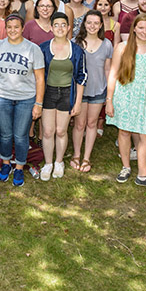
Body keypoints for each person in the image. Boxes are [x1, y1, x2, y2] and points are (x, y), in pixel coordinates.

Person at [107, 14, 146, 189]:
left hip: (145, 97)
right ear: (134, 29)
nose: (144, 31)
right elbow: (113, 74)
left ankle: (143, 174)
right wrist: (109, 100)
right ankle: (125, 167)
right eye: (141, 28)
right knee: (124, 132)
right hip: (124, 95)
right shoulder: (122, 48)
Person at [0, 14, 45, 186]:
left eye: (16, 27)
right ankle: (6, 164)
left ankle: (20, 167)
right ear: (5, 28)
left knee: (21, 136)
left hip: (26, 99)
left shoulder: (33, 49)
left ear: (22, 28)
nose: (12, 30)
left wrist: (38, 103)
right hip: (2, 96)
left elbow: (40, 79)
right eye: (9, 27)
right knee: (5, 135)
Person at [38, 13, 87, 181]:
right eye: (56, 24)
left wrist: (78, 102)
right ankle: (48, 163)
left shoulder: (77, 50)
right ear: (51, 28)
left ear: (68, 28)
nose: (60, 28)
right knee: (48, 131)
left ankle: (59, 162)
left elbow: (81, 77)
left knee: (60, 130)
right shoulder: (43, 48)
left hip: (67, 93)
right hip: (48, 93)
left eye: (63, 25)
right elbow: (37, 75)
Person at [70, 11, 112, 173]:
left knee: (92, 123)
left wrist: (108, 94)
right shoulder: (75, 43)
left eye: (96, 23)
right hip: (80, 91)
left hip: (98, 90)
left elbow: (108, 69)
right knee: (79, 124)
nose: (92, 26)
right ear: (84, 24)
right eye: (89, 22)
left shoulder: (107, 44)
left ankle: (86, 157)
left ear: (101, 25)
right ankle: (76, 154)